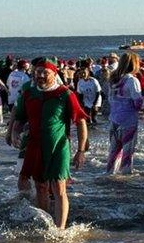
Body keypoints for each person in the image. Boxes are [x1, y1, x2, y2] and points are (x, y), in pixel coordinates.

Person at [10, 59, 89, 229]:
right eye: (38, 72)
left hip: (58, 147)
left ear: (55, 74)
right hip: (34, 146)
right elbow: (19, 117)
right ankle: (46, 224)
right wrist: (14, 132)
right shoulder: (29, 94)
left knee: (59, 187)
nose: (41, 76)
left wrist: (81, 150)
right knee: (40, 186)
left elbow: (81, 121)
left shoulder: (65, 94)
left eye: (45, 72)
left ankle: (60, 229)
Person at [106, 52, 143, 174]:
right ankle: (125, 185)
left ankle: (109, 178)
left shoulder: (113, 79)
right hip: (128, 122)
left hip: (114, 119)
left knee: (113, 153)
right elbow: (138, 104)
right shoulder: (132, 80)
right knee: (127, 155)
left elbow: (110, 99)